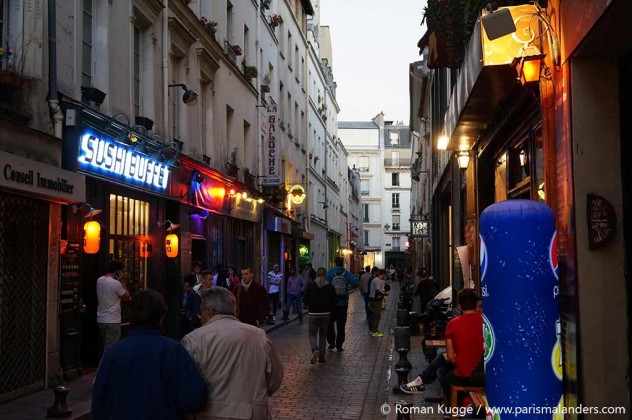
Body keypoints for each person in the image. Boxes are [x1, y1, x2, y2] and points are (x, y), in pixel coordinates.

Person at [92, 290, 207, 419]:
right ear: (161, 317)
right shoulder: (174, 351)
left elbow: (99, 400)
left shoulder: (113, 353)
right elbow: (193, 398)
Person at [182, 287, 283, 419]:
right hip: (253, 413)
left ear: (208, 311)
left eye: (201, 313)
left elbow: (187, 387)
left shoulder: (194, 340)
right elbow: (275, 379)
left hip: (211, 413)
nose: (200, 318)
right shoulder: (259, 336)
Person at [400, 289, 484, 397]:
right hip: (482, 374)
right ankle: (422, 382)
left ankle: (451, 404)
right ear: (476, 304)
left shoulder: (453, 324)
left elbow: (450, 357)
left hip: (463, 375)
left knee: (441, 371)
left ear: (459, 306)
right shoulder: (485, 322)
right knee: (441, 366)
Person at [303, 267, 337, 364]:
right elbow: (334, 300)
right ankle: (321, 357)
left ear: (317, 275)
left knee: (312, 334)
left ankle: (315, 349)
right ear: (325, 275)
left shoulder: (311, 285)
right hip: (326, 314)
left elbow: (305, 299)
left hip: (313, 313)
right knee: (323, 335)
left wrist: (310, 303)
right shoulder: (330, 286)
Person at [96, 259, 130, 354]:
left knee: (106, 345)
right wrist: (123, 283)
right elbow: (127, 297)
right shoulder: (116, 284)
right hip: (112, 320)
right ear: (117, 271)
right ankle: (104, 368)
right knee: (110, 350)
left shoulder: (100, 280)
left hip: (101, 319)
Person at [326, 256, 358, 352]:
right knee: (341, 325)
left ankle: (331, 342)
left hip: (331, 303)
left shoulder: (330, 273)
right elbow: (355, 282)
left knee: (330, 323)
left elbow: (325, 283)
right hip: (343, 303)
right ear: (343, 263)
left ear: (335, 263)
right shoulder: (347, 274)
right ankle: (339, 345)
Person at [368, 269, 388, 337]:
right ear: (383, 274)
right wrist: (384, 294)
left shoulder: (376, 279)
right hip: (375, 300)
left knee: (373, 315)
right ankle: (375, 331)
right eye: (385, 274)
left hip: (373, 299)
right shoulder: (377, 280)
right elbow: (378, 291)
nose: (385, 276)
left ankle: (372, 330)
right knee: (376, 316)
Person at [359, 265, 373, 330]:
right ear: (369, 270)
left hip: (365, 291)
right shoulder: (371, 276)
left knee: (366, 303)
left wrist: (361, 290)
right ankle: (370, 314)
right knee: (371, 303)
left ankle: (367, 314)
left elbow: (361, 284)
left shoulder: (362, 276)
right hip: (370, 291)